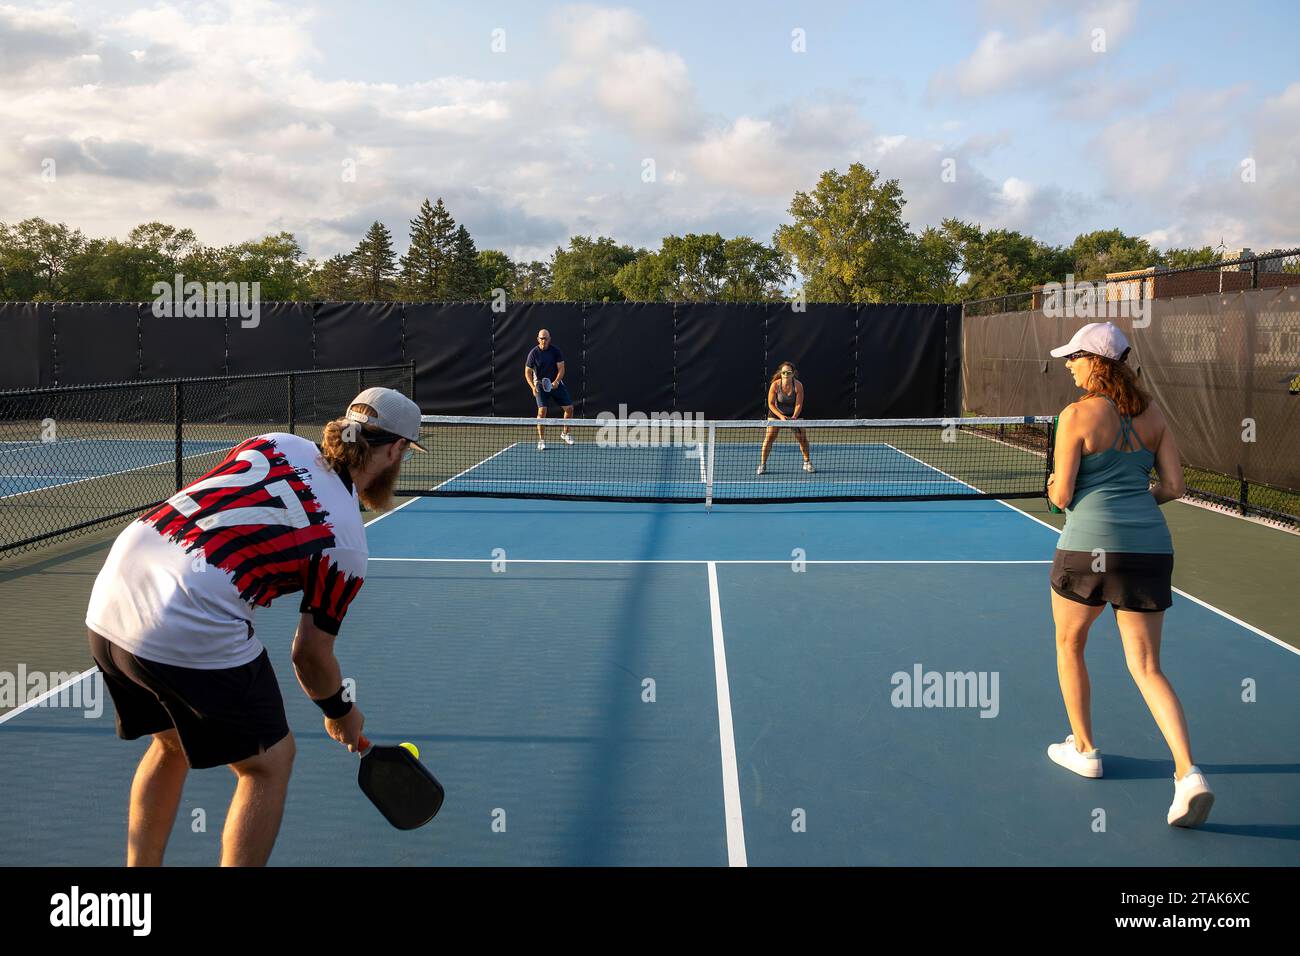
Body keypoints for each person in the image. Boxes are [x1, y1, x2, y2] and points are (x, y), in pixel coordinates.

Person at [84, 387, 425, 865]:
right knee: (267, 764)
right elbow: (310, 654)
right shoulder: (346, 540)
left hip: (116, 586)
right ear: (393, 450)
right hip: (187, 615)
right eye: (405, 452)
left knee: (172, 743)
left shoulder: (276, 442)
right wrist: (341, 713)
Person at [1044, 322, 1212, 828]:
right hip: (1150, 550)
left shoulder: (1073, 416)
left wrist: (1056, 483)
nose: (1068, 363)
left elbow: (1062, 496)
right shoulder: (1153, 414)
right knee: (1147, 666)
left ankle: (1086, 749)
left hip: (1087, 549)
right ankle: (1187, 775)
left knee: (1070, 646)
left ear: (1097, 362)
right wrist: (1137, 502)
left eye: (1074, 355)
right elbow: (1175, 487)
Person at [757, 361, 813, 475]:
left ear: (793, 374)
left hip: (794, 414)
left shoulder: (798, 385)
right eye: (784, 373)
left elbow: (798, 405)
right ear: (781, 373)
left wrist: (793, 418)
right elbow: (771, 404)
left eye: (789, 372)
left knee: (802, 437)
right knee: (769, 437)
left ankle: (807, 462)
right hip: (777, 413)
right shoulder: (775, 385)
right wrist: (781, 417)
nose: (786, 375)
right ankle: (762, 464)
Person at [524, 328, 574, 450]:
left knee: (569, 409)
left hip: (554, 383)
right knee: (542, 412)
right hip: (540, 385)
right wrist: (532, 387)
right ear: (538, 339)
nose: (544, 340)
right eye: (541, 338)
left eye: (546, 338)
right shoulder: (533, 353)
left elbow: (561, 368)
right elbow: (527, 372)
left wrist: (556, 381)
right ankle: (541, 440)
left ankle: (565, 434)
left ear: (549, 339)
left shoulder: (556, 351)